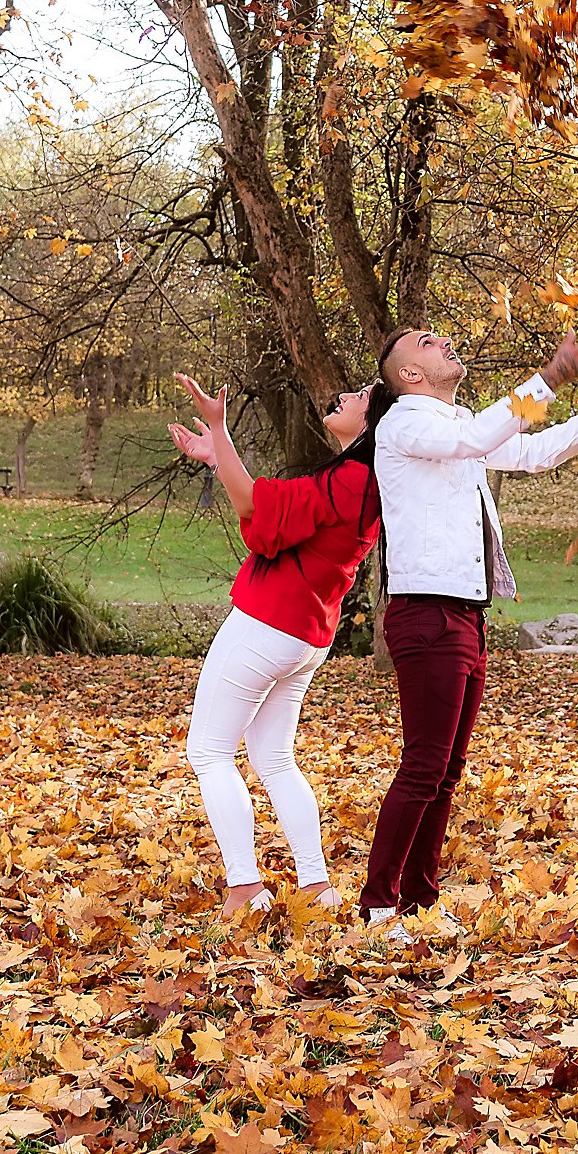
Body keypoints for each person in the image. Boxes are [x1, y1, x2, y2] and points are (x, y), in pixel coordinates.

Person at [362, 327, 578, 924]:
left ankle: (418, 902)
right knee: (423, 767)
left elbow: (531, 453)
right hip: (427, 615)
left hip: (466, 616)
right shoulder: (403, 424)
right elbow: (476, 438)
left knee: (445, 772)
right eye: (426, 342)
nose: (443, 340)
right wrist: (552, 376)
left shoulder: (458, 426)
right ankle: (378, 907)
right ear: (410, 374)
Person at [169, 373, 387, 919]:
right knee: (274, 758)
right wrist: (218, 457)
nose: (344, 396)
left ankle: (245, 887)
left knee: (209, 752)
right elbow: (270, 517)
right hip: (307, 634)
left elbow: (256, 509)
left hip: (270, 621)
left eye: (361, 395)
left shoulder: (351, 479)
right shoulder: (366, 481)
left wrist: (220, 431)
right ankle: (315, 884)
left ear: (374, 421)